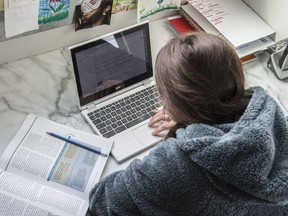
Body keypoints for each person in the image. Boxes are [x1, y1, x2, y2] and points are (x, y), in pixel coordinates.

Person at [88, 32, 288, 215]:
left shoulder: (172, 166)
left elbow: (103, 202)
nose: (160, 99)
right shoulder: (269, 114)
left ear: (173, 100)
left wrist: (175, 137)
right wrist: (189, 118)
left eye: (161, 93)